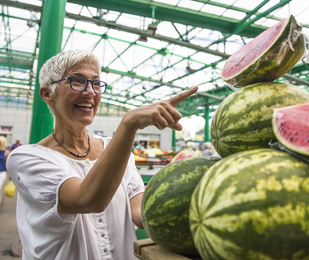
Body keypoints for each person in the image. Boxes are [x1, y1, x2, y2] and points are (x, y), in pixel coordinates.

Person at [6, 50, 198, 260]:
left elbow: (141, 213)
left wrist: (196, 192)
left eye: (96, 84)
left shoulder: (115, 150)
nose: (90, 92)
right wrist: (129, 124)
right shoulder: (26, 159)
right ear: (47, 94)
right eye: (77, 81)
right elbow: (87, 199)